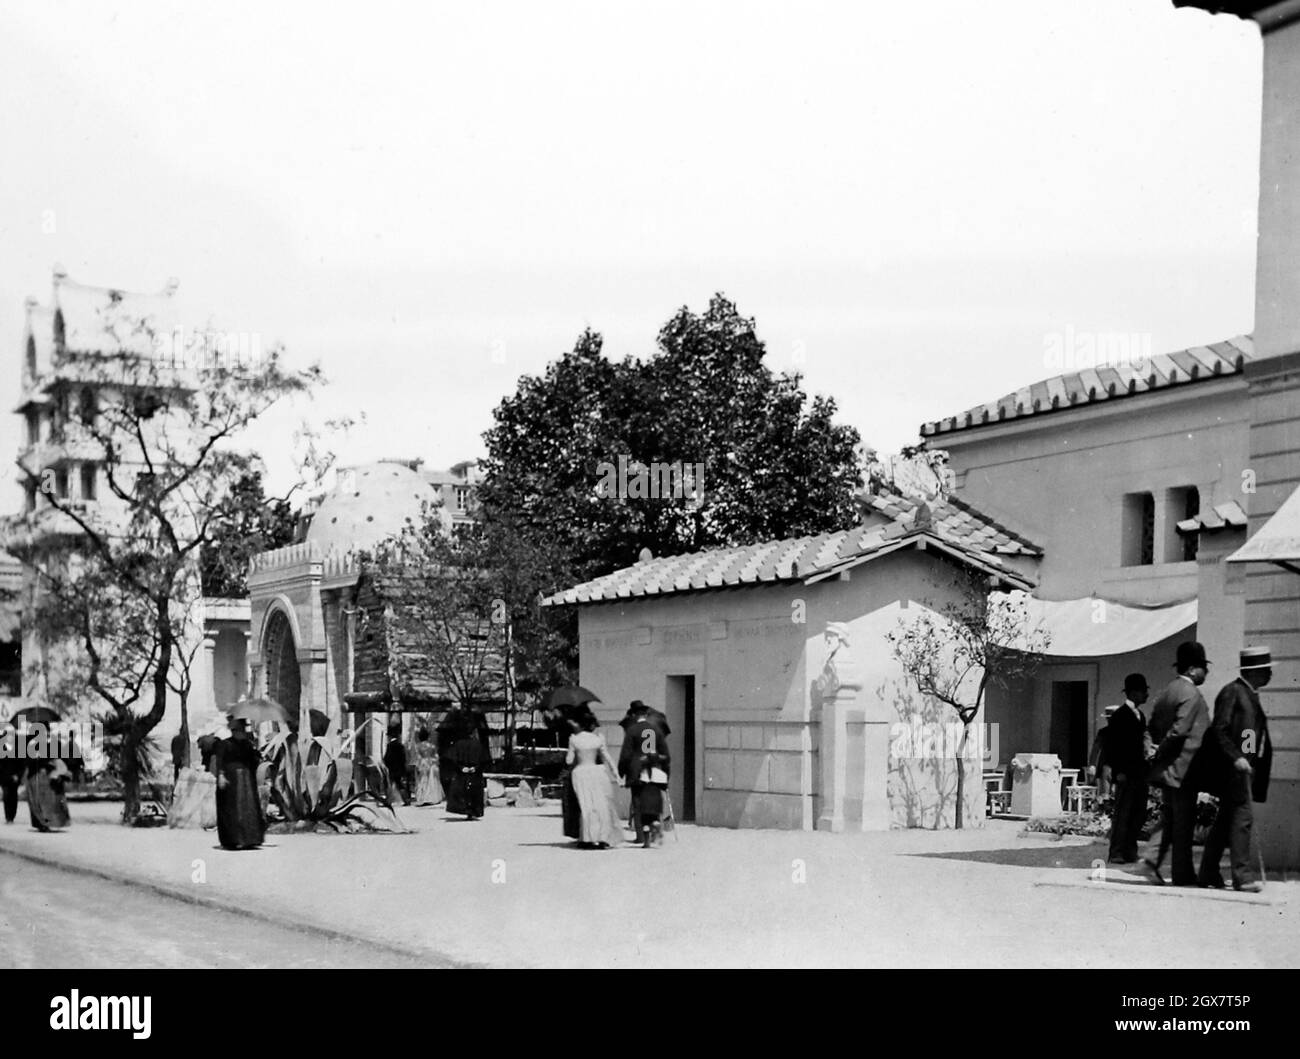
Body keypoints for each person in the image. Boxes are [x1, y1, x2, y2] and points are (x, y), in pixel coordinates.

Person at [1194, 646, 1274, 893]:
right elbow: (1220, 729)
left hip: (1242, 769)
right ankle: (1242, 877)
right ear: (1255, 671)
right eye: (1266, 669)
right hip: (1232, 771)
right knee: (1242, 820)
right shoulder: (1233, 692)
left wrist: (1249, 757)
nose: (1270, 674)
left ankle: (1208, 872)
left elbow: (1249, 732)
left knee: (1226, 821)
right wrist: (1237, 757)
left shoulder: (1249, 694)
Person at [1142, 642, 1211, 886]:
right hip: (1185, 767)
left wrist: (1152, 751)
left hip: (1168, 769)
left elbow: (1151, 727)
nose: (1207, 672)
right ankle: (1178, 872)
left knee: (1172, 818)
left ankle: (1157, 863)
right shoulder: (1191, 693)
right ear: (1192, 669)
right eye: (1203, 667)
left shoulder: (1167, 691)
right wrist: (1160, 750)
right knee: (1182, 823)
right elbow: (1180, 730)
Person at [1104, 673, 1150, 865]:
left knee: (1137, 813)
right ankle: (1116, 851)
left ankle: (1131, 850)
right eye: (1143, 691)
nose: (1147, 694)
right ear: (1134, 692)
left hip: (1139, 772)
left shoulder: (1140, 716)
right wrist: (1118, 772)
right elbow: (1113, 747)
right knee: (1123, 813)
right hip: (1126, 773)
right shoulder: (1121, 716)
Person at [565, 711, 623, 848]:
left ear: (579, 724)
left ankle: (587, 838)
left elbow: (569, 760)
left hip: (581, 772)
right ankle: (602, 837)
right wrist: (617, 775)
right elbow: (607, 758)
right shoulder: (598, 738)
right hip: (597, 772)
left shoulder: (574, 739)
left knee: (586, 806)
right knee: (601, 805)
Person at [618, 700, 671, 848]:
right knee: (653, 802)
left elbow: (626, 755)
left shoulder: (632, 731)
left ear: (634, 715)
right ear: (646, 714)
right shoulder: (656, 730)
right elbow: (665, 754)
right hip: (654, 770)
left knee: (638, 802)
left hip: (637, 771)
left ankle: (641, 837)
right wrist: (666, 773)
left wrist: (621, 771)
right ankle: (655, 829)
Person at [211, 718, 265, 850]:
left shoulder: (247, 745)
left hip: (246, 780)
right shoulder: (225, 744)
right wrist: (221, 775)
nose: (241, 733)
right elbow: (220, 760)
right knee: (231, 809)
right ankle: (233, 839)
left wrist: (257, 754)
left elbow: (253, 760)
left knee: (248, 809)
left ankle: (250, 839)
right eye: (239, 730)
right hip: (231, 780)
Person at [437, 705, 491, 819]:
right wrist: (476, 768)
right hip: (475, 773)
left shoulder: (458, 745)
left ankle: (465, 809)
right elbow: (485, 760)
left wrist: (461, 768)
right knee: (474, 791)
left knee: (462, 791)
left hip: (462, 772)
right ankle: (473, 811)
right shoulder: (478, 745)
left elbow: (451, 759)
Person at [24, 728, 71, 833]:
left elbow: (61, 758)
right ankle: (42, 824)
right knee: (38, 802)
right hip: (36, 776)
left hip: (49, 776)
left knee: (49, 802)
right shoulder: (30, 745)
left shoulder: (53, 744)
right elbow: (27, 762)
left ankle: (50, 823)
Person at [409, 726, 444, 806]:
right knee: (432, 781)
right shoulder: (432, 746)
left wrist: (418, 765)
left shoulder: (418, 746)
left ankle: (423, 797)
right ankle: (432, 797)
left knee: (422, 780)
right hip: (431, 763)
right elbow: (436, 756)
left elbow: (417, 757)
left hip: (423, 763)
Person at [383, 726, 409, 805]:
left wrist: (385, 763)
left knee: (390, 785)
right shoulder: (401, 746)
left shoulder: (389, 746)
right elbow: (404, 758)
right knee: (400, 785)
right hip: (400, 768)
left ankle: (389, 801)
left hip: (392, 769)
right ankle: (406, 800)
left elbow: (387, 758)